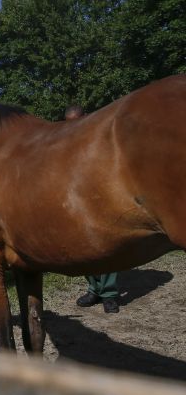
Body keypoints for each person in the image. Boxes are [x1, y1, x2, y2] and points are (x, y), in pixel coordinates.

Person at [65, 104, 120, 314]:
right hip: (79, 201)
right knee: (86, 248)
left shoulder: (99, 137)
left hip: (101, 198)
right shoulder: (67, 144)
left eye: (78, 121)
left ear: (85, 117)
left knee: (105, 246)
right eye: (70, 124)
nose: (75, 127)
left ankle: (110, 294)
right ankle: (94, 289)